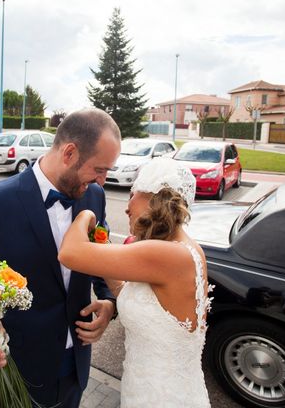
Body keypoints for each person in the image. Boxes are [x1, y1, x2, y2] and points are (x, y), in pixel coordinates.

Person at [0, 108, 121, 408]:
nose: (102, 181)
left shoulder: (94, 197)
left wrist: (109, 302)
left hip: (76, 366)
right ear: (70, 153)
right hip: (17, 374)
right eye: (99, 169)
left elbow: (101, 257)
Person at [59, 157, 212, 407]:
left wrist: (86, 213)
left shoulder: (166, 254)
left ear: (152, 198)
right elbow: (127, 290)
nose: (127, 208)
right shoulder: (182, 249)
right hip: (149, 387)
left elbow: (69, 253)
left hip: (161, 397)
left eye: (132, 194)